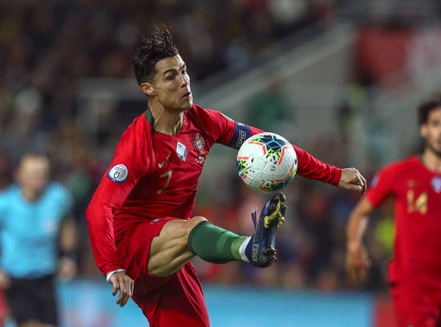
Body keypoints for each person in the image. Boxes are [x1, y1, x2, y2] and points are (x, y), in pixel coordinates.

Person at [86, 24, 367, 327]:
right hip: (130, 249)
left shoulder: (204, 122)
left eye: (183, 71)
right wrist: (112, 267)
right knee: (193, 227)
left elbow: (273, 147)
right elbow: (99, 208)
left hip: (172, 253)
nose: (184, 81)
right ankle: (250, 248)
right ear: (148, 89)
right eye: (171, 77)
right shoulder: (138, 145)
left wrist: (334, 175)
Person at [345, 93, 441, 327]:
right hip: (411, 283)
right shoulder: (399, 173)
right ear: (424, 129)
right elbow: (361, 212)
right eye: (435, 124)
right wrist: (354, 244)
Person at [0, 153, 77, 327]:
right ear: (18, 175)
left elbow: (67, 224)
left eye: (42, 174)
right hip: (15, 279)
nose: (37, 179)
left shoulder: (58, 198)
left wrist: (68, 256)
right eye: (32, 175)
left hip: (45, 277)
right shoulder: (5, 204)